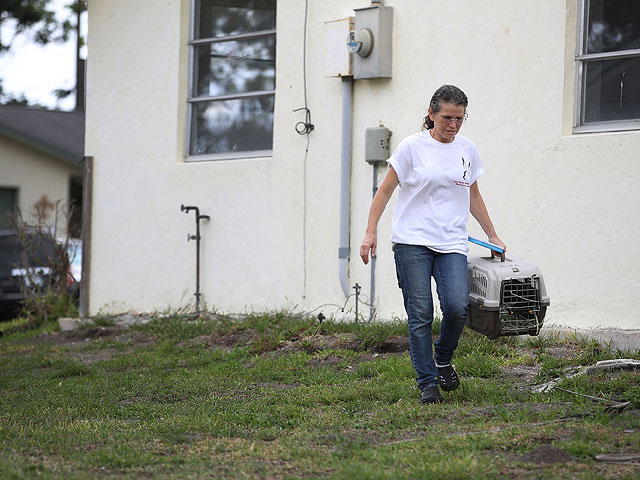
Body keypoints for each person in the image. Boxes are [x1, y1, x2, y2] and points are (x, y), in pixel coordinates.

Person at [359, 85, 506, 404]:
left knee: (456, 307)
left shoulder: (467, 149)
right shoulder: (412, 147)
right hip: (412, 241)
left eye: (459, 119)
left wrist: (492, 234)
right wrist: (370, 232)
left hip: (451, 241)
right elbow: (384, 192)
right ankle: (428, 383)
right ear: (431, 114)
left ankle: (442, 358)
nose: (453, 125)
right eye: (447, 118)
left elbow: (473, 195)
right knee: (421, 312)